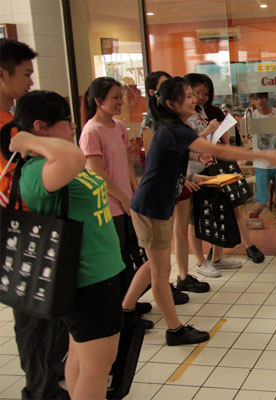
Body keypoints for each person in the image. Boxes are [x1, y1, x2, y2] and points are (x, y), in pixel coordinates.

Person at [121, 77, 276, 346]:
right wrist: (266, 156)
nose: (194, 100)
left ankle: (126, 311)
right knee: (160, 273)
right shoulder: (175, 129)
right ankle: (174, 330)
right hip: (151, 209)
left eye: (193, 95)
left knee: (153, 265)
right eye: (188, 96)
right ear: (171, 104)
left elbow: (164, 165)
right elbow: (217, 149)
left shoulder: (172, 128)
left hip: (153, 206)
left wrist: (192, 176)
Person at [3, 90, 125, 398]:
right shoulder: (37, 170)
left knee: (82, 359)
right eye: (66, 121)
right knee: (97, 369)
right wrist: (25, 141)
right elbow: (74, 156)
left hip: (97, 276)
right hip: (88, 280)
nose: (73, 127)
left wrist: (32, 141)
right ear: (40, 127)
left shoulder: (50, 163)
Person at [0, 39, 71, 400]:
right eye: (25, 73)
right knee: (34, 315)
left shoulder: (15, 123)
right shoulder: (10, 132)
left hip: (39, 229)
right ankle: (40, 390)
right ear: (2, 74)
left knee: (49, 311)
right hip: (20, 232)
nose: (30, 81)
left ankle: (52, 377)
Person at [79, 76, 154, 328]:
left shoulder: (119, 127)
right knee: (117, 258)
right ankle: (121, 310)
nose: (120, 102)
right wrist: (122, 198)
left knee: (131, 254)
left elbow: (127, 164)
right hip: (108, 207)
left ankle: (129, 300)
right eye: (115, 97)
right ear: (98, 101)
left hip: (127, 203)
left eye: (121, 97)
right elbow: (97, 173)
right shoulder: (91, 131)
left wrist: (135, 192)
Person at [185, 73, 265, 269]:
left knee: (226, 208)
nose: (200, 97)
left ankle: (223, 254)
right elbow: (187, 144)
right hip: (193, 172)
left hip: (215, 167)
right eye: (196, 93)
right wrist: (208, 133)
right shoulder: (184, 116)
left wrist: (225, 149)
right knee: (195, 218)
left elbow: (224, 142)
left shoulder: (208, 112)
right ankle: (203, 260)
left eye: (205, 93)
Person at [139, 70, 194, 304]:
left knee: (179, 232)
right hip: (159, 194)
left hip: (176, 185)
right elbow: (157, 160)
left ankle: (183, 276)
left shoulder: (175, 123)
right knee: (158, 260)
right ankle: (163, 292)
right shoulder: (155, 124)